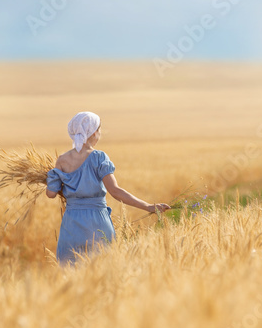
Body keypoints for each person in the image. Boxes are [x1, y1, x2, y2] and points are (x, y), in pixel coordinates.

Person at [46, 112, 170, 265]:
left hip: (71, 223)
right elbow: (115, 191)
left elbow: (51, 193)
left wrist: (52, 178)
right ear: (93, 133)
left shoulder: (62, 160)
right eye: (99, 131)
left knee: (71, 272)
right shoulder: (99, 157)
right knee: (103, 271)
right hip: (96, 222)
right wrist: (148, 206)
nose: (99, 135)